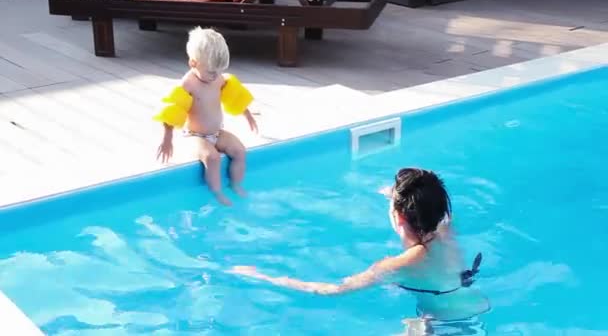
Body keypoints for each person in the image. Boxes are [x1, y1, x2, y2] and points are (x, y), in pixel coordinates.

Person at [230, 168, 490, 331]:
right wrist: (397, 196)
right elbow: (432, 201)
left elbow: (332, 291)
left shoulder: (401, 263)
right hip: (477, 310)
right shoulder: (443, 230)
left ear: (398, 217)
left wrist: (264, 277)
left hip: (446, 327)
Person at [156, 27, 258, 206]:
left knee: (240, 151)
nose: (216, 76)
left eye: (219, 71)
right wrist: (167, 139)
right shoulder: (188, 85)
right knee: (212, 158)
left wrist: (247, 114)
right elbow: (173, 111)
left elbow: (234, 97)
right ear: (193, 63)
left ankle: (235, 184)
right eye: (211, 71)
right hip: (195, 136)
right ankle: (217, 192)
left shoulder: (218, 78)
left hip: (217, 133)